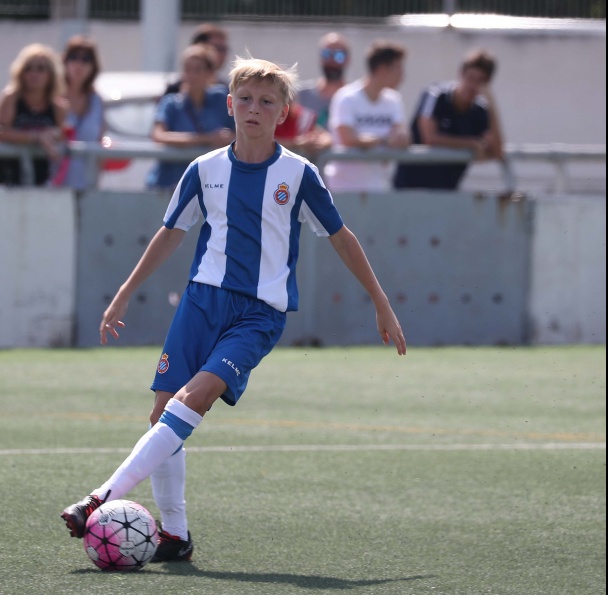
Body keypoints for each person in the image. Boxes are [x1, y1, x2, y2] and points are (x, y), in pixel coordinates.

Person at [61, 56, 406, 564]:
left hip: (258, 314)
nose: (254, 109)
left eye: (267, 102)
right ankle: (175, 536)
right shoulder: (204, 170)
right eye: (245, 99)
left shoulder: (298, 174)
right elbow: (170, 233)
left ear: (284, 111)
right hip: (201, 302)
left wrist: (382, 302)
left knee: (193, 398)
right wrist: (124, 291)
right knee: (162, 412)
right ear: (230, 104)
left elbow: (342, 237)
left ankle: (100, 497)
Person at [393, 49, 504, 190]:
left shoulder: (480, 111)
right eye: (470, 78)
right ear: (461, 74)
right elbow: (430, 139)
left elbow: (497, 151)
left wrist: (491, 103)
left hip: (447, 194)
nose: (472, 85)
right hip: (409, 189)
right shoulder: (436, 95)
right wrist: (471, 143)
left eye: (480, 81)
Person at [146, 44, 235, 190]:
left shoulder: (221, 99)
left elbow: (237, 134)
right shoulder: (171, 103)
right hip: (170, 184)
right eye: (187, 69)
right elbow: (158, 135)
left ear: (210, 72)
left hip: (210, 185)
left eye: (198, 70)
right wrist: (208, 138)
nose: (191, 75)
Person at [325, 40, 409, 193]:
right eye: (398, 68)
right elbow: (347, 139)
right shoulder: (346, 97)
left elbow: (402, 137)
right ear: (383, 69)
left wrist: (399, 139)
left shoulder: (394, 100)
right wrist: (384, 141)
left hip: (379, 188)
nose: (403, 74)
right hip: (343, 190)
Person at [0, 43, 67, 186]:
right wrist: (36, 137)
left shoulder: (57, 107)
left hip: (42, 179)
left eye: (41, 69)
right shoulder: (11, 98)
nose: (34, 74)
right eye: (28, 69)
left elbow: (63, 135)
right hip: (7, 177)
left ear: (51, 74)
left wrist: (53, 134)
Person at [54, 35, 105, 191]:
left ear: (93, 66)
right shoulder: (53, 97)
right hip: (53, 186)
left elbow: (99, 142)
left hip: (86, 187)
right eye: (73, 57)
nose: (79, 64)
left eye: (86, 59)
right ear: (64, 61)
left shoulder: (97, 102)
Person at [297, 32, 350, 129]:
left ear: (348, 59)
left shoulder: (354, 98)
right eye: (327, 54)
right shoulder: (300, 95)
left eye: (339, 55)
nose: (332, 60)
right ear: (320, 58)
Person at [163, 23, 230, 95]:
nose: (223, 53)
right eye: (218, 48)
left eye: (224, 49)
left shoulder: (226, 91)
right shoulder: (174, 93)